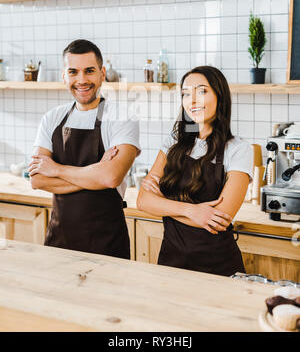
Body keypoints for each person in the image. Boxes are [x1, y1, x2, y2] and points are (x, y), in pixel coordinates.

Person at [29, 39, 141, 259]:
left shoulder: (122, 116)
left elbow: (110, 177)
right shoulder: (52, 118)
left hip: (107, 245)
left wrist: (57, 169)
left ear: (102, 73)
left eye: (89, 71)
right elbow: (38, 180)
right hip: (59, 242)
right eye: (73, 72)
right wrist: (95, 172)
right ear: (64, 76)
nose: (81, 80)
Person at [136, 66, 253, 276]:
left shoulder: (238, 149)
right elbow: (143, 201)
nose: (192, 100)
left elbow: (219, 220)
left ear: (220, 96)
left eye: (202, 91)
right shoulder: (174, 142)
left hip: (217, 267)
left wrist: (163, 204)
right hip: (171, 263)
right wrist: (193, 211)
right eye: (186, 94)